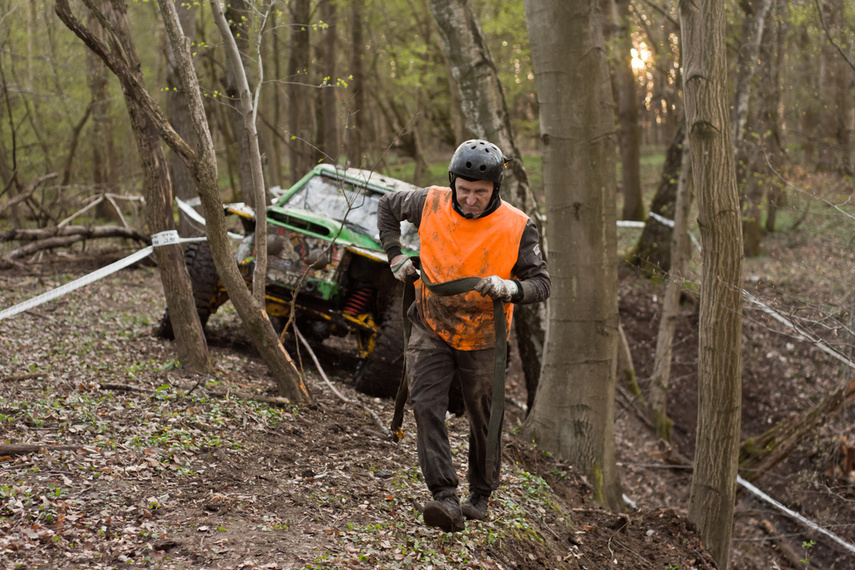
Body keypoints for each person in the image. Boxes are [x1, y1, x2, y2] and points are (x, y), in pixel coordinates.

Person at [377, 139, 550, 532]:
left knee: (483, 417)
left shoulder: (518, 225)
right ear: (454, 182)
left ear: (495, 191)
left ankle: (481, 493)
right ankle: (444, 496)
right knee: (425, 404)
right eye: (465, 190)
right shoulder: (429, 201)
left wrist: (511, 289)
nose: (471, 199)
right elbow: (387, 206)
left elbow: (542, 283)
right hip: (431, 322)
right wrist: (395, 254)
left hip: (485, 336)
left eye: (481, 193)